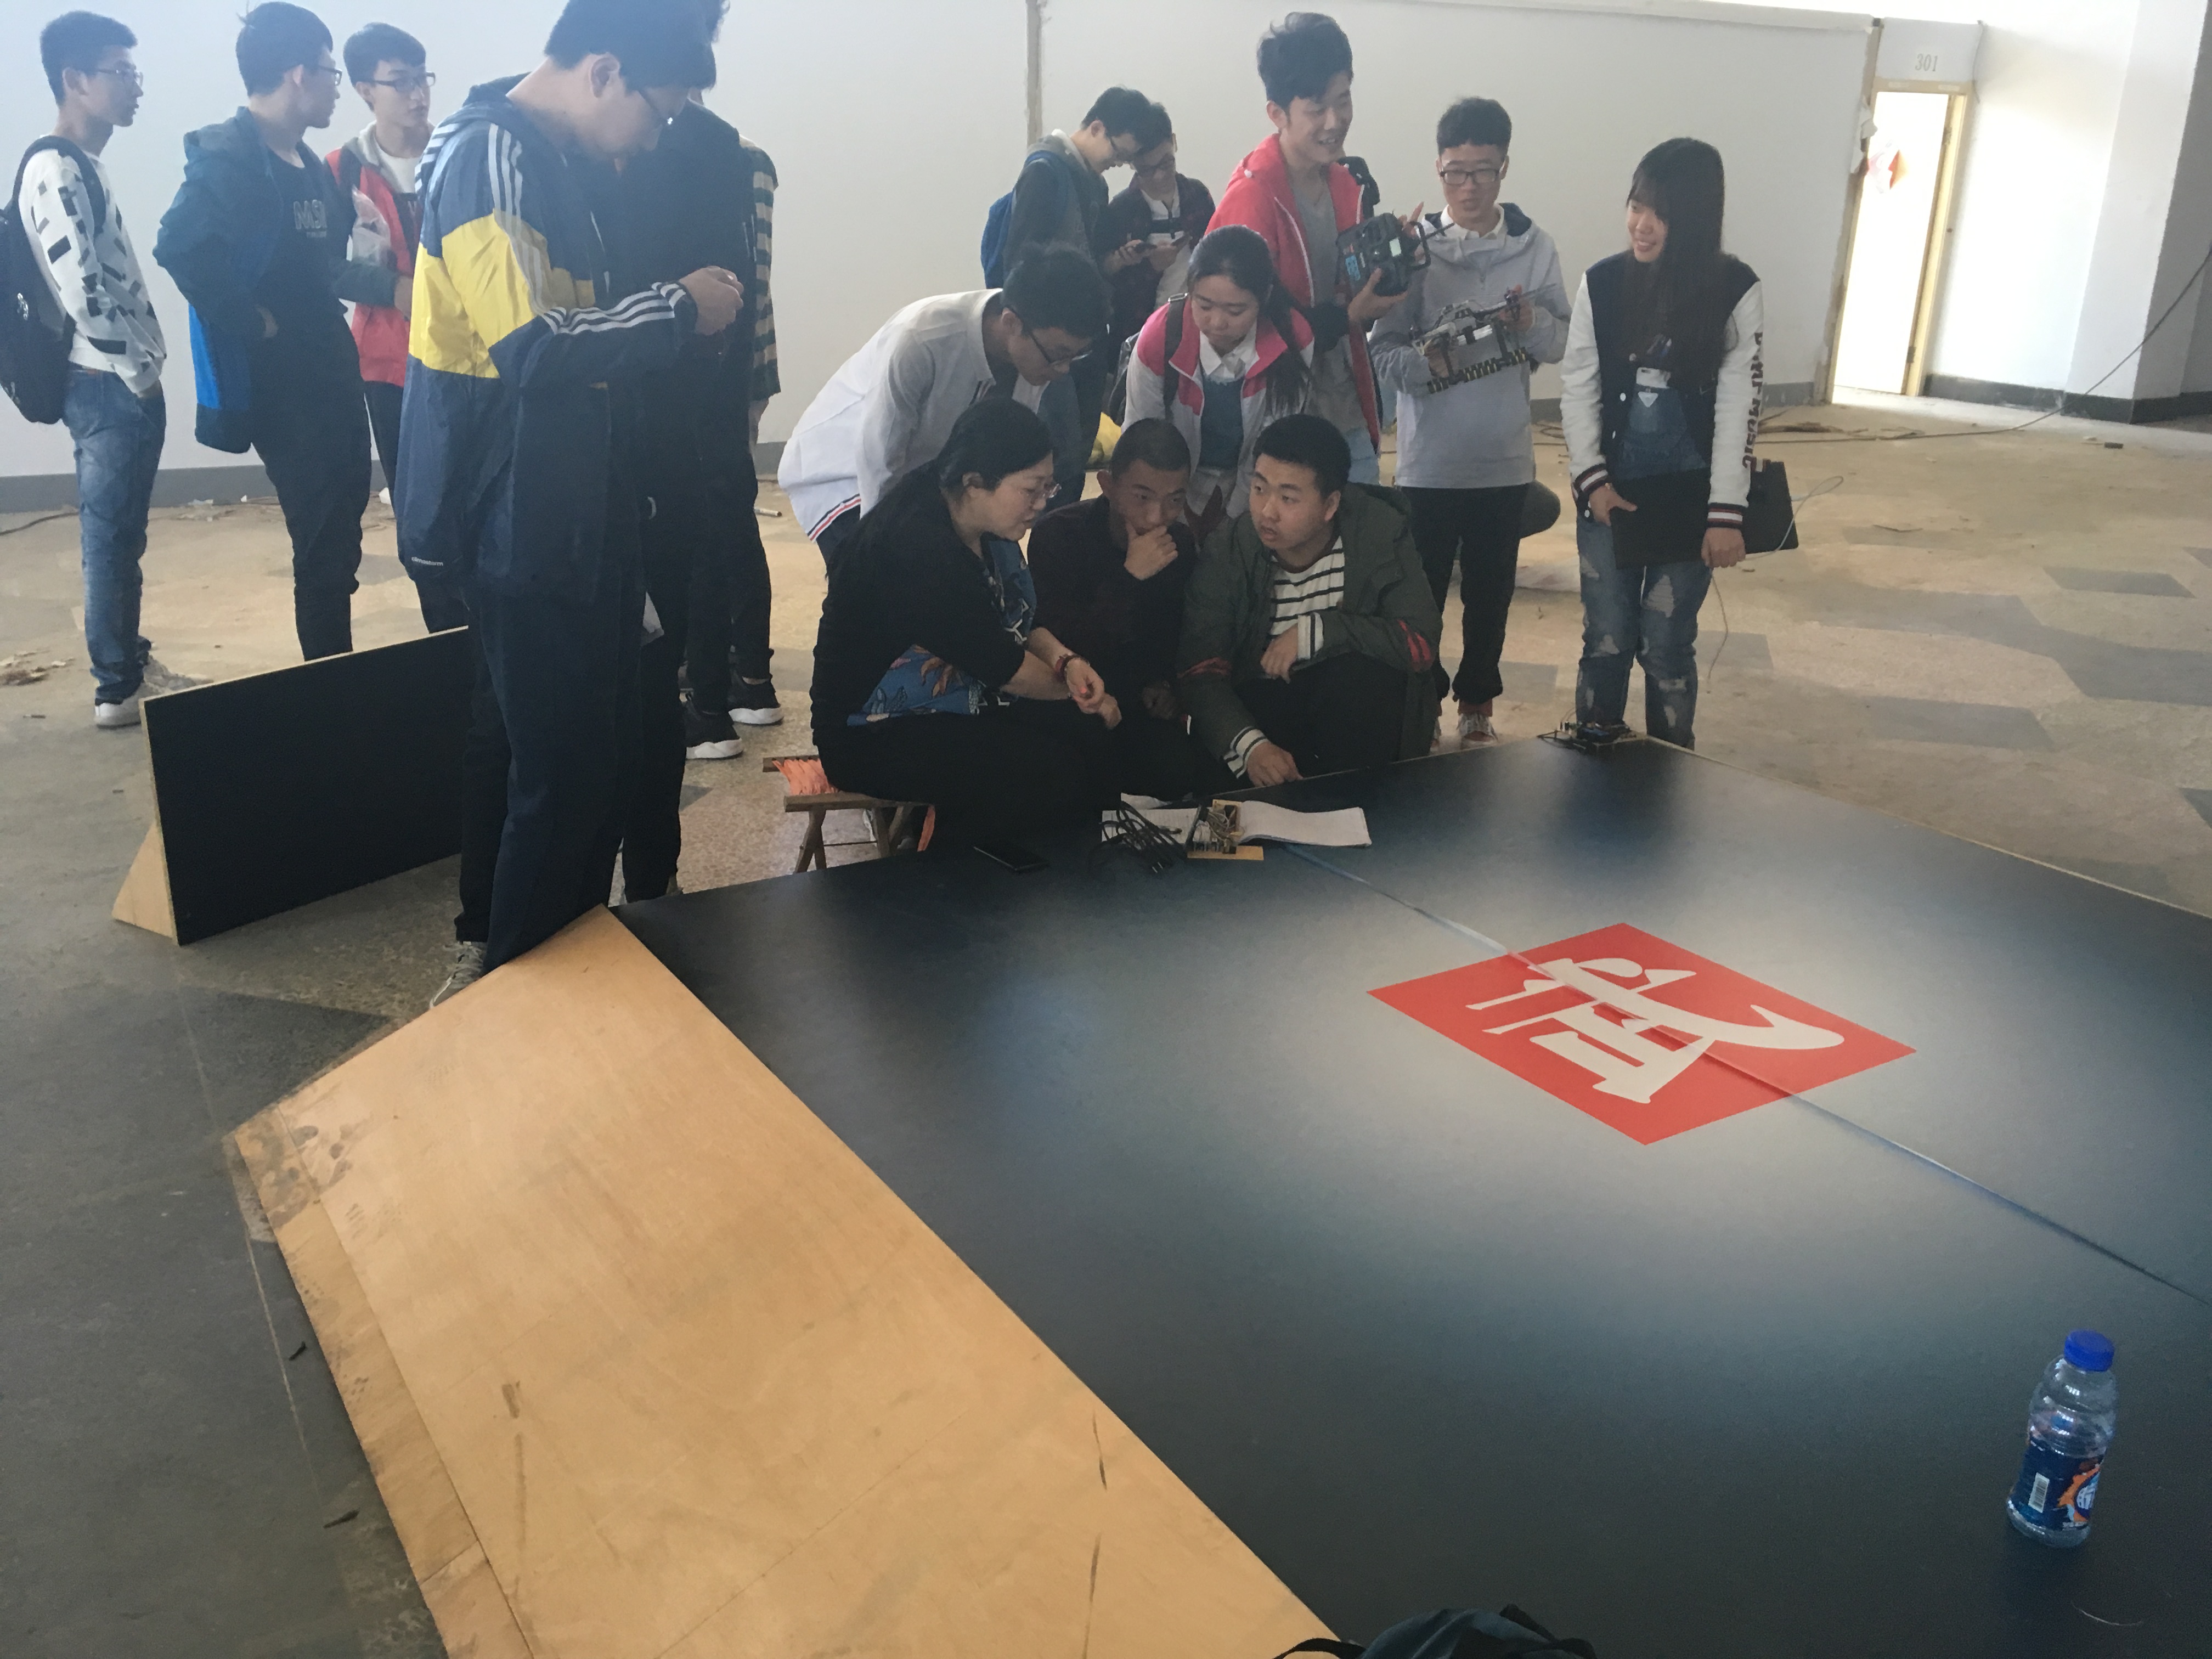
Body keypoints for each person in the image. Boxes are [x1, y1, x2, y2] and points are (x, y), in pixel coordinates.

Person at [403, 0, 741, 995]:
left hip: (572, 513)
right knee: (554, 779)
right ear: (603, 72)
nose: (653, 138)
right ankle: (525, 996)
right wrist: (678, 306)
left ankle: (572, 984)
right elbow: (535, 347)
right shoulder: (489, 155)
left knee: (591, 767)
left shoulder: (553, 162)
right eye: (656, 111)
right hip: (514, 519)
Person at [154, 2, 379, 661]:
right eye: (331, 73)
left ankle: (338, 664)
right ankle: (330, 682)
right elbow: (180, 246)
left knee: (343, 525)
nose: (337, 87)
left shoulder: (305, 159)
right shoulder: (230, 159)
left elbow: (316, 258)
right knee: (319, 539)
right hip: (284, 386)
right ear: (298, 74)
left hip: (329, 367)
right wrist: (250, 319)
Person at [598, 0, 783, 765]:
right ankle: (724, 694)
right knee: (713, 526)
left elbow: (733, 287)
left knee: (698, 529)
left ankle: (705, 704)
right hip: (682, 382)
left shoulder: (699, 149)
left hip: (677, 384)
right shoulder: (718, 149)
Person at [810, 399, 1124, 848]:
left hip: (957, 699)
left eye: (1048, 488)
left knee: (1086, 735)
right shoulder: (920, 549)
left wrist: (1066, 662)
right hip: (872, 732)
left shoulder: (981, 520)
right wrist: (1086, 695)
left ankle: (1098, 864)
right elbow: (1005, 668)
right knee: (1046, 770)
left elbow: (1021, 621)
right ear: (975, 483)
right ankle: (964, 877)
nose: (1041, 503)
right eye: (1031, 490)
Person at [1369, 97, 1567, 746]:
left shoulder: (1535, 249)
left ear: (1504, 167)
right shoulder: (1413, 252)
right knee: (1421, 597)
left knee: (1490, 596)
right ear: (1438, 168)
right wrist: (1425, 363)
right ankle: (1422, 704)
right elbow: (1380, 349)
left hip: (1503, 460)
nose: (1470, 186)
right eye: (1456, 172)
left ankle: (1478, 703)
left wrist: (1530, 322)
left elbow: (1563, 342)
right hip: (1429, 464)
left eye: (1483, 171)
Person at [1560, 137, 1760, 751]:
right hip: (1611, 494)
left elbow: (1739, 406)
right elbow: (1578, 385)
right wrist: (1592, 481)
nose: (1641, 225)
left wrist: (1726, 513)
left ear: (1696, 219)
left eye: (1661, 214)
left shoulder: (1735, 289)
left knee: (1666, 642)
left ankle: (1671, 768)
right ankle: (1594, 759)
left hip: (1689, 498)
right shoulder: (1602, 283)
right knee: (1607, 637)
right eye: (1636, 205)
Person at [777, 246, 1109, 566]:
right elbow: (880, 462)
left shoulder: (1032, 350)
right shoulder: (924, 338)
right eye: (1058, 355)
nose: (1062, 370)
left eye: (1074, 356)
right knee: (887, 586)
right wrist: (880, 554)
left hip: (928, 480)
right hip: (845, 474)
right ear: (1011, 323)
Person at [20, 12, 167, 729]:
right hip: (105, 383)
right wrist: (138, 372)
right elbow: (80, 289)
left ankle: (127, 665)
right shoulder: (55, 168)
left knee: (122, 537)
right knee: (110, 541)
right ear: (75, 80)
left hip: (115, 381)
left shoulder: (82, 163)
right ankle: (116, 688)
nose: (135, 87)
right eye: (122, 73)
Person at [1178, 414, 1440, 787]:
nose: (1267, 512)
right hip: (1263, 710)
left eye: (1288, 498)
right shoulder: (1231, 548)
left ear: (1330, 505)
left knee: (1362, 679)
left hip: (1348, 711)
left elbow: (1420, 644)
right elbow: (1200, 671)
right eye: (1259, 488)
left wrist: (1321, 631)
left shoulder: (1380, 532)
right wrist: (1251, 747)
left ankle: (1359, 803)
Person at [1209, 12, 1397, 485]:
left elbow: (1347, 297)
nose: (1335, 122)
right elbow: (1242, 327)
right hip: (1276, 428)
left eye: (1344, 100)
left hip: (1348, 414)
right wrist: (1348, 316)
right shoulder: (1252, 198)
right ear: (1277, 113)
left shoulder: (1346, 184)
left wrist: (1386, 272)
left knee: (1363, 528)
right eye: (1317, 109)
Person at [330, 22, 458, 631]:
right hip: (388, 365)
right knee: (417, 501)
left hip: (466, 358)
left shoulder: (457, 152)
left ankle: (482, 624)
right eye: (400, 82)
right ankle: (443, 630)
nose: (417, 94)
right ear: (364, 90)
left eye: (422, 79)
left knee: (472, 491)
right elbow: (326, 267)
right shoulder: (341, 171)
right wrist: (394, 289)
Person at [1029, 418, 1216, 800]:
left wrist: (1166, 685)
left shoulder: (1180, 544)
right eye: (1143, 497)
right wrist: (1129, 577)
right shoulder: (1058, 535)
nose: (1157, 516)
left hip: (1139, 702)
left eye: (1175, 500)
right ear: (1108, 486)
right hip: (1068, 699)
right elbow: (1053, 641)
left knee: (1180, 773)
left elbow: (1178, 634)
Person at [1001, 88, 1167, 482]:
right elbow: (1019, 264)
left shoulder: (1094, 184)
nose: (1116, 164)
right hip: (1049, 337)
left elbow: (1092, 262)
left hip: (1086, 337)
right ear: (1096, 127)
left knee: (1080, 446)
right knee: (1055, 450)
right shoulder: (1044, 172)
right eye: (1118, 153)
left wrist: (1119, 260)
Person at [1124, 224, 1311, 541]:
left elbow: (1270, 447)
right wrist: (1165, 513)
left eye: (1236, 311)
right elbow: (1142, 441)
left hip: (1251, 483)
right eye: (1204, 305)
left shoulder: (1293, 338)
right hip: (1169, 484)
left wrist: (1235, 521)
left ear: (1264, 297)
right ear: (1190, 290)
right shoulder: (1160, 337)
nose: (1217, 323)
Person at [1099, 115, 1213, 352]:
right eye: (1146, 170)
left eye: (1166, 163)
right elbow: (1105, 279)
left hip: (1197, 328)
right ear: (1131, 163)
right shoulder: (1121, 210)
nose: (1159, 176)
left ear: (1174, 142)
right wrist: (1146, 266)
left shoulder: (1197, 196)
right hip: (1138, 333)